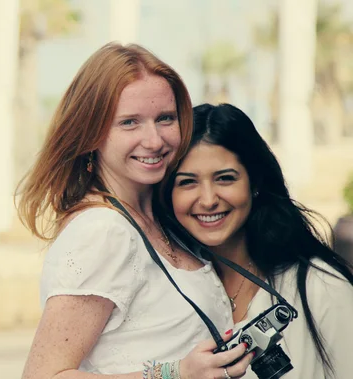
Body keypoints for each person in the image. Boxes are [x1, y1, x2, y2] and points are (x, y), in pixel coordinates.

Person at [16, 43, 254, 379]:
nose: (154, 140)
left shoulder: (161, 219)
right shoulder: (102, 231)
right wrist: (175, 374)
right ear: (91, 133)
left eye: (165, 119)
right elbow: (43, 375)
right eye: (129, 123)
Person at [164, 103, 353, 378]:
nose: (207, 200)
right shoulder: (171, 292)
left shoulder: (321, 288)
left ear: (255, 184)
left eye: (225, 178)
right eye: (187, 182)